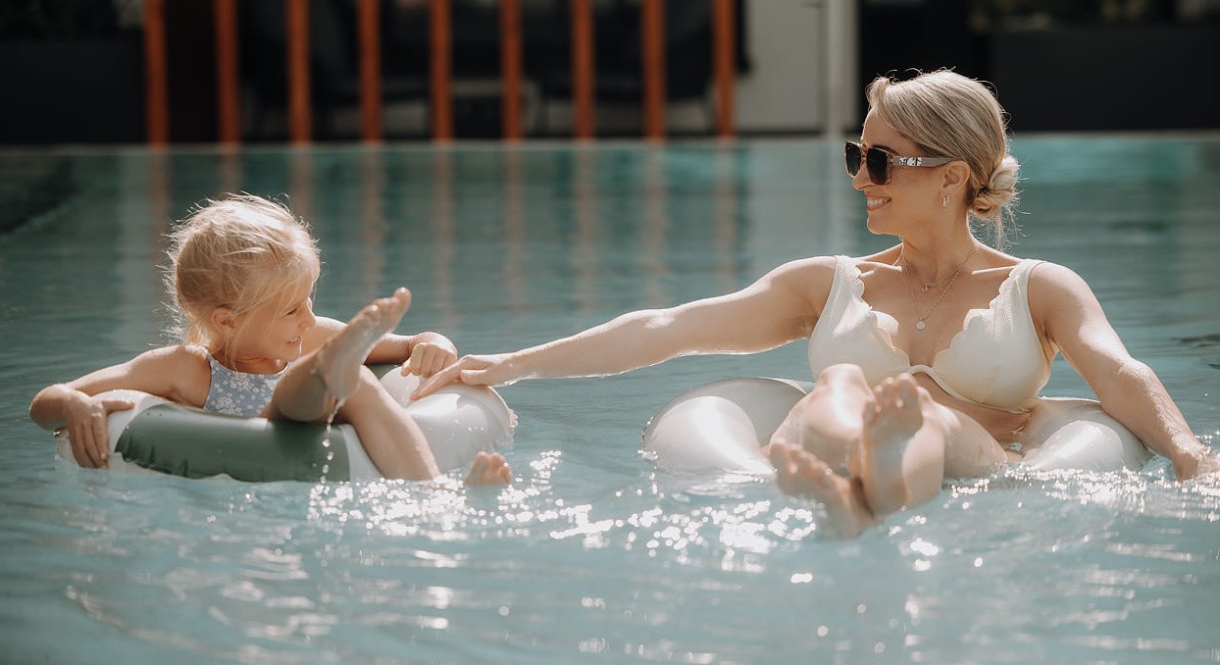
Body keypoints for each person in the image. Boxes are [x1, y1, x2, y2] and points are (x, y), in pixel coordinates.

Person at [412, 69, 1219, 535]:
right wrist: (514, 363)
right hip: (840, 437)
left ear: (951, 178)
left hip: (976, 459)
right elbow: (669, 328)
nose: (861, 177)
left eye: (880, 161)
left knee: (920, 410)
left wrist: (1189, 454)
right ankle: (858, 493)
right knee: (840, 383)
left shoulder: (1037, 288)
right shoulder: (831, 284)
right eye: (856, 155)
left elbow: (1119, 374)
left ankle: (870, 490)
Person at [29, 194, 511, 486]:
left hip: (319, 414)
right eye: (291, 310)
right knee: (314, 385)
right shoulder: (185, 368)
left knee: (358, 380)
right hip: (265, 439)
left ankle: (435, 497)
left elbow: (410, 347)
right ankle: (329, 374)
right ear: (227, 321)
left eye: (308, 301)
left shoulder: (314, 333)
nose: (308, 318)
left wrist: (433, 340)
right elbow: (45, 403)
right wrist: (73, 405)